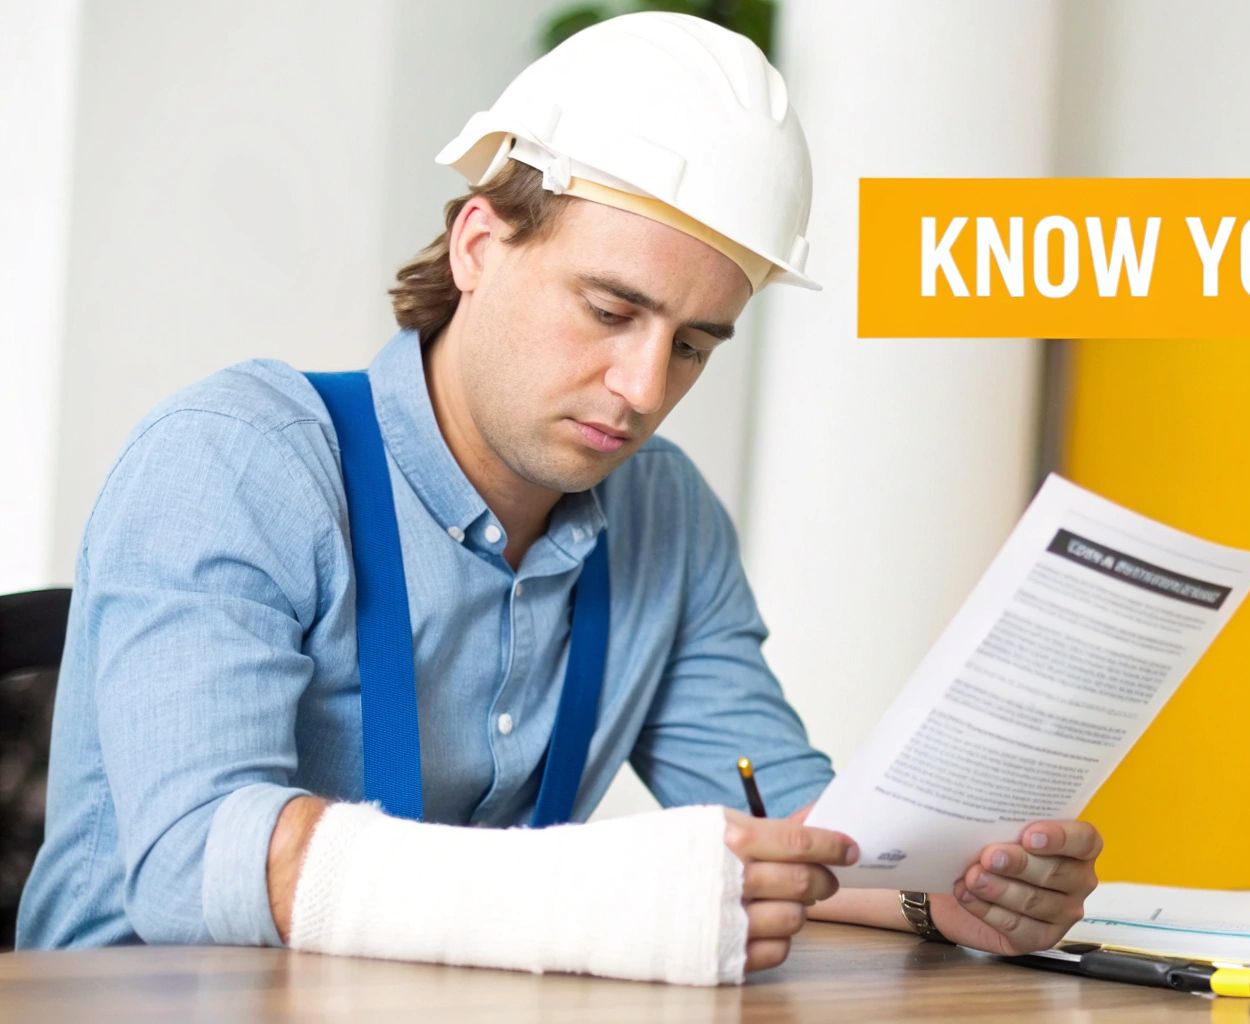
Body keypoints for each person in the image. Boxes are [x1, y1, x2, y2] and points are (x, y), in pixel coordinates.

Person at [15, 12, 1102, 984]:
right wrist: (599, 897)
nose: (643, 391)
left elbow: (790, 828)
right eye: (608, 309)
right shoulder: (236, 460)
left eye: (692, 345)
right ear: (480, 243)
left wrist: (942, 889)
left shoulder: (663, 515)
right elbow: (192, 858)